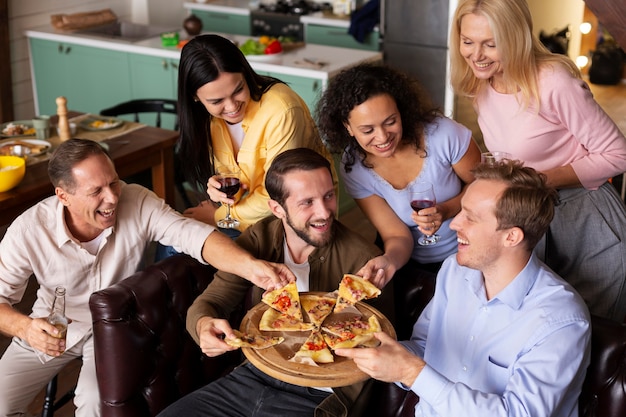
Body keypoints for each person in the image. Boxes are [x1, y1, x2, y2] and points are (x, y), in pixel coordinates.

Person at [0, 139, 293, 417]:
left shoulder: (137, 200)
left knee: (95, 407)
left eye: (113, 182)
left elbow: (195, 236)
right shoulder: (28, 230)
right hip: (54, 326)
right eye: (96, 191)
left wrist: (253, 267)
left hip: (117, 328)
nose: (113, 197)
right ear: (63, 196)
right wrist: (25, 327)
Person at [337, 160, 591, 417]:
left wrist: (411, 372)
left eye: (470, 217)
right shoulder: (455, 271)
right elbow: (426, 347)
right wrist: (373, 348)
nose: (454, 223)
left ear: (511, 237)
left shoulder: (562, 320)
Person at [158, 148, 391, 417]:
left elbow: (380, 345)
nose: (325, 212)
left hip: (320, 394)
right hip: (253, 376)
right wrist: (203, 326)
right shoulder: (259, 239)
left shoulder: (365, 259)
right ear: (277, 208)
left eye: (329, 196)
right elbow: (211, 303)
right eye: (307, 202)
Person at [449, 0, 626, 321]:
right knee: (535, 323)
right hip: (529, 215)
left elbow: (618, 154)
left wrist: (536, 181)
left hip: (584, 215)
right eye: (468, 41)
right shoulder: (481, 82)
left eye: (491, 44)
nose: (476, 55)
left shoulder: (552, 82)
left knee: (591, 329)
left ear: (516, 38)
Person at [316, 62, 481, 288]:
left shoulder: (444, 135)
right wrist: (389, 261)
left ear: (401, 111)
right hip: (409, 263)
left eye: (390, 122)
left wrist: (446, 210)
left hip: (470, 255)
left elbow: (486, 188)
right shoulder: (354, 166)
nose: (383, 137)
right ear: (347, 127)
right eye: (367, 130)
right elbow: (396, 235)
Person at [176, 34, 336, 235]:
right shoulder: (209, 121)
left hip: (294, 226)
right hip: (250, 221)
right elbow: (241, 182)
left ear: (245, 73)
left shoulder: (281, 109)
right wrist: (220, 190)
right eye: (217, 101)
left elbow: (280, 193)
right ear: (195, 98)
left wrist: (217, 216)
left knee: (183, 243)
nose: (232, 106)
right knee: (177, 238)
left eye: (238, 90)